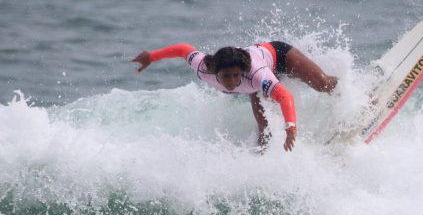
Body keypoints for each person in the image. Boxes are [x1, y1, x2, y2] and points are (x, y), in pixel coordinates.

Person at [132, 41, 338, 152]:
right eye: (226, 76)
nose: (231, 81)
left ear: (242, 72)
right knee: (264, 129)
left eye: (235, 76)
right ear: (215, 72)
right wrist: (151, 57)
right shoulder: (204, 67)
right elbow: (183, 49)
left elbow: (284, 97)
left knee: (322, 84)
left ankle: (347, 88)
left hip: (279, 56)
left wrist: (291, 127)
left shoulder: (256, 75)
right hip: (254, 84)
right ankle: (261, 162)